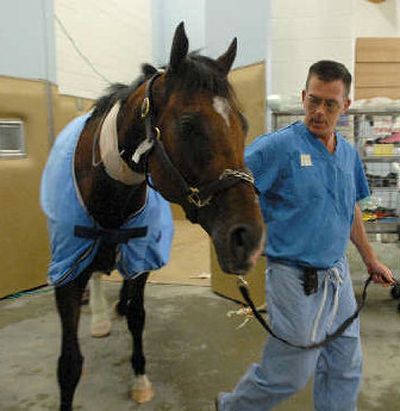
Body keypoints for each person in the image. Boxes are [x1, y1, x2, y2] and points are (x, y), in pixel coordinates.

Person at [216, 60, 395, 411]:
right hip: (293, 278)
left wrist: (370, 259)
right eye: (314, 100)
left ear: (346, 106)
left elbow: (350, 209)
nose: (319, 111)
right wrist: (241, 239)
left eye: (330, 104)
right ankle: (233, 407)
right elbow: (233, 190)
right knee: (290, 374)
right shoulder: (276, 149)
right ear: (303, 97)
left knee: (345, 365)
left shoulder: (346, 153)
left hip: (337, 275)